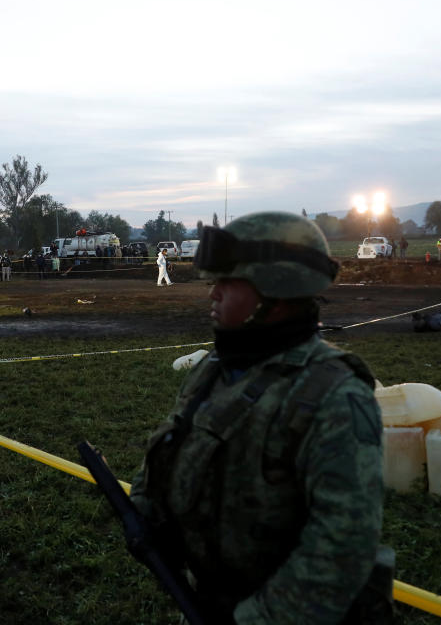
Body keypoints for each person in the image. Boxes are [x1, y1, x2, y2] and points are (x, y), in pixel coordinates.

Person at [129, 212, 388, 624]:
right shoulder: (216, 367)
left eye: (227, 283)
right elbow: (175, 440)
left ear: (276, 293)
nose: (212, 294)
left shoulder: (334, 395)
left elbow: (340, 551)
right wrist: (146, 512)